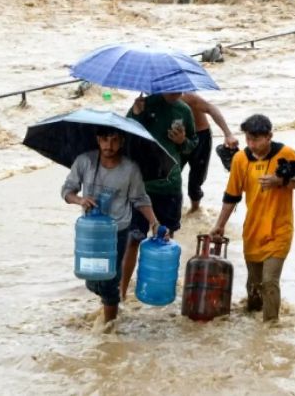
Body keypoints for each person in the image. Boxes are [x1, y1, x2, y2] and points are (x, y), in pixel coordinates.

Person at [209, 114, 295, 322]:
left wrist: (280, 180)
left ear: (269, 136)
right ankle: (254, 322)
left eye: (256, 139)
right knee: (254, 287)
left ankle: (270, 330)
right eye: (248, 139)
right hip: (253, 231)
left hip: (280, 230)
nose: (252, 144)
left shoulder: (286, 154)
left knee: (269, 281)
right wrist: (219, 225)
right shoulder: (240, 160)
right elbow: (232, 196)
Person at [61, 126, 162, 324]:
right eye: (105, 140)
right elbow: (66, 191)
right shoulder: (85, 161)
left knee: (109, 282)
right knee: (92, 280)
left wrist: (154, 222)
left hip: (117, 231)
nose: (109, 145)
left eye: (114, 140)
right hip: (91, 233)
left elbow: (140, 199)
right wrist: (79, 199)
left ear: (122, 142)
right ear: (98, 140)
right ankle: (111, 303)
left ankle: (109, 328)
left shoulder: (130, 169)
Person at [122, 93, 198, 294]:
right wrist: (136, 114)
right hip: (140, 186)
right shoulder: (143, 105)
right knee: (133, 240)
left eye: (180, 89)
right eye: (172, 89)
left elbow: (193, 144)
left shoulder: (184, 110)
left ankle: (160, 290)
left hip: (169, 185)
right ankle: (120, 293)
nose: (177, 93)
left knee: (165, 240)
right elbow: (126, 137)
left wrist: (183, 141)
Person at [180, 92, 240, 213]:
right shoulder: (155, 99)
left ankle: (195, 209)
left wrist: (228, 134)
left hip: (200, 137)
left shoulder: (187, 96)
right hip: (175, 139)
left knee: (195, 180)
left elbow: (211, 108)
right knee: (170, 176)